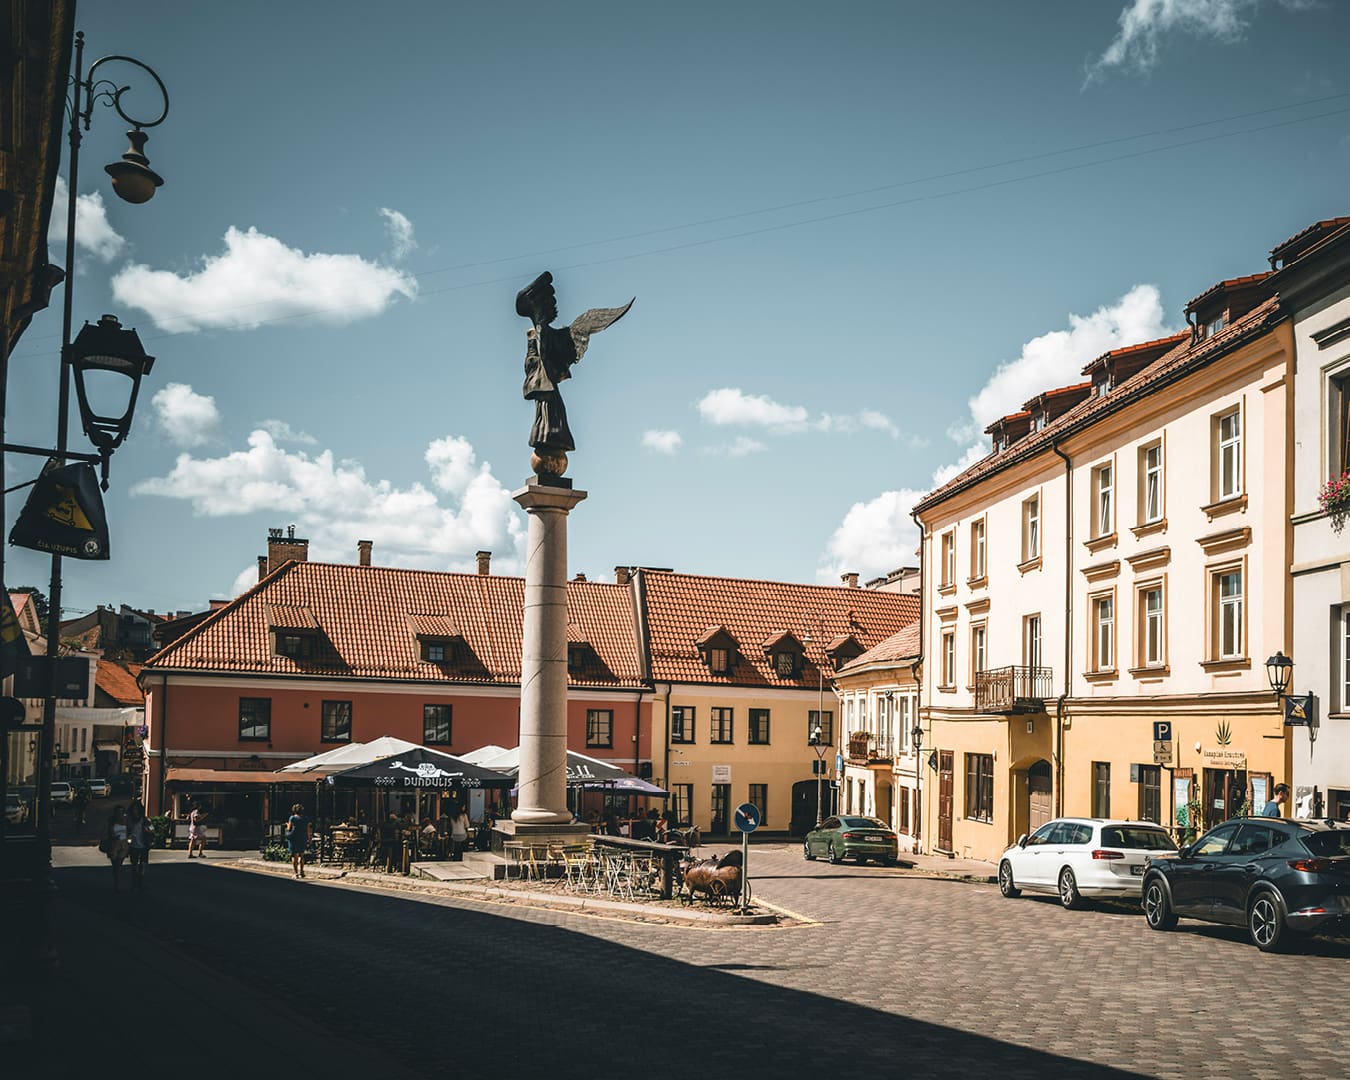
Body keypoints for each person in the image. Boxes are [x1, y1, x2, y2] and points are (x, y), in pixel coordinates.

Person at [126, 799, 155, 891]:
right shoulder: (129, 820)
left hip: (144, 845)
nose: (135, 811)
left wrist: (148, 830)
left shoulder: (145, 820)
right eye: (134, 809)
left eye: (137, 809)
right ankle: (134, 882)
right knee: (134, 865)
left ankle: (140, 882)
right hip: (133, 845)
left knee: (142, 865)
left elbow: (152, 830)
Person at [102, 805, 129, 891]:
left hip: (123, 844)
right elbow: (105, 832)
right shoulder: (111, 822)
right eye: (119, 812)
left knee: (119, 864)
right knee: (115, 865)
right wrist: (111, 837)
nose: (120, 813)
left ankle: (117, 883)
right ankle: (116, 881)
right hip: (113, 845)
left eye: (122, 811)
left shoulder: (126, 821)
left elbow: (130, 831)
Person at [286, 802, 312, 879]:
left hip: (294, 838)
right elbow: (308, 830)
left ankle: (296, 873)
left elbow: (289, 828)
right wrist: (309, 839)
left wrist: (287, 825)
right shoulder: (306, 819)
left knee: (294, 856)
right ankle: (302, 871)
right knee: (302, 855)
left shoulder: (292, 818)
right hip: (302, 838)